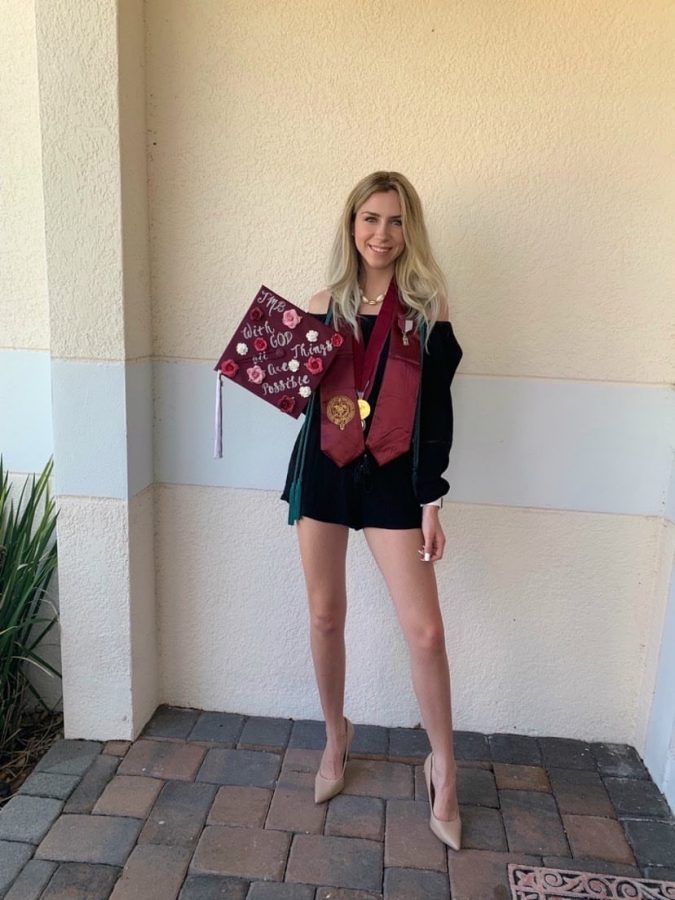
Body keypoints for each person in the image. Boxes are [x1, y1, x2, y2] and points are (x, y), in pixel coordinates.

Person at [281, 171, 463, 850]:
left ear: (407, 230)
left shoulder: (427, 309)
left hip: (394, 480)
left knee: (426, 634)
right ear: (350, 226)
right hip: (325, 475)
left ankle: (442, 765)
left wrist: (431, 499)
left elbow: (436, 413)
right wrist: (267, 362)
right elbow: (301, 402)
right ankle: (336, 735)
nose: (380, 234)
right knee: (325, 614)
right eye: (368, 219)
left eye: (393, 221)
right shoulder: (321, 303)